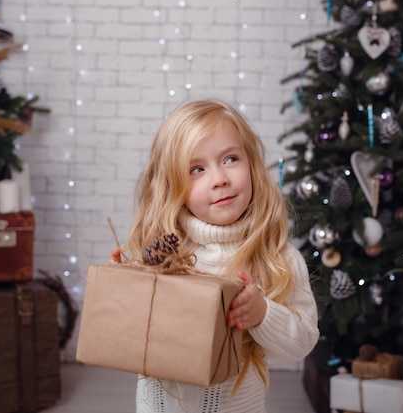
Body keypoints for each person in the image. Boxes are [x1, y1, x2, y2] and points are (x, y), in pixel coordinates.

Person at [109, 98, 319, 413]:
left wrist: (262, 313)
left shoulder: (277, 257)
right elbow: (127, 341)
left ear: (251, 164)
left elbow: (301, 344)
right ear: (173, 183)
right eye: (197, 168)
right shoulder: (161, 253)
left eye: (231, 158)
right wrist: (117, 293)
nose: (219, 178)